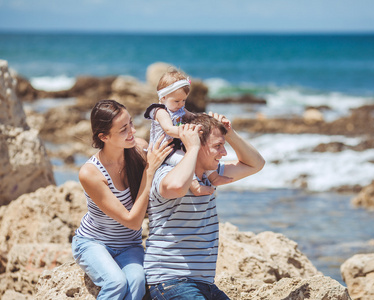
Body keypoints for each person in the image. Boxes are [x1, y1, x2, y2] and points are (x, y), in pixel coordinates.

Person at [144, 112, 265, 300]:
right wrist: (192, 148)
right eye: (218, 146)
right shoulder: (166, 173)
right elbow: (176, 187)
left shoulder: (210, 176)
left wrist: (229, 132)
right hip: (170, 281)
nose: (224, 153)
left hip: (204, 284)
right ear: (195, 145)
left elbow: (256, 164)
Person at [72, 99, 172, 300]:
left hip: (129, 245)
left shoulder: (138, 150)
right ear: (104, 136)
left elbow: (173, 149)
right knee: (116, 282)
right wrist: (149, 171)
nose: (132, 132)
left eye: (132, 124)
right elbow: (132, 221)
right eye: (123, 129)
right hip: (94, 243)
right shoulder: (90, 173)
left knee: (136, 282)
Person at [144, 68, 232, 196]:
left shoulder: (179, 109)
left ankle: (214, 177)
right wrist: (187, 132)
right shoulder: (160, 111)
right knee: (184, 160)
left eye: (184, 100)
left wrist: (210, 120)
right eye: (177, 101)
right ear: (163, 97)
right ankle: (196, 187)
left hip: (177, 145)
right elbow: (168, 129)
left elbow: (193, 117)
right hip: (164, 150)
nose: (181, 104)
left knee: (200, 157)